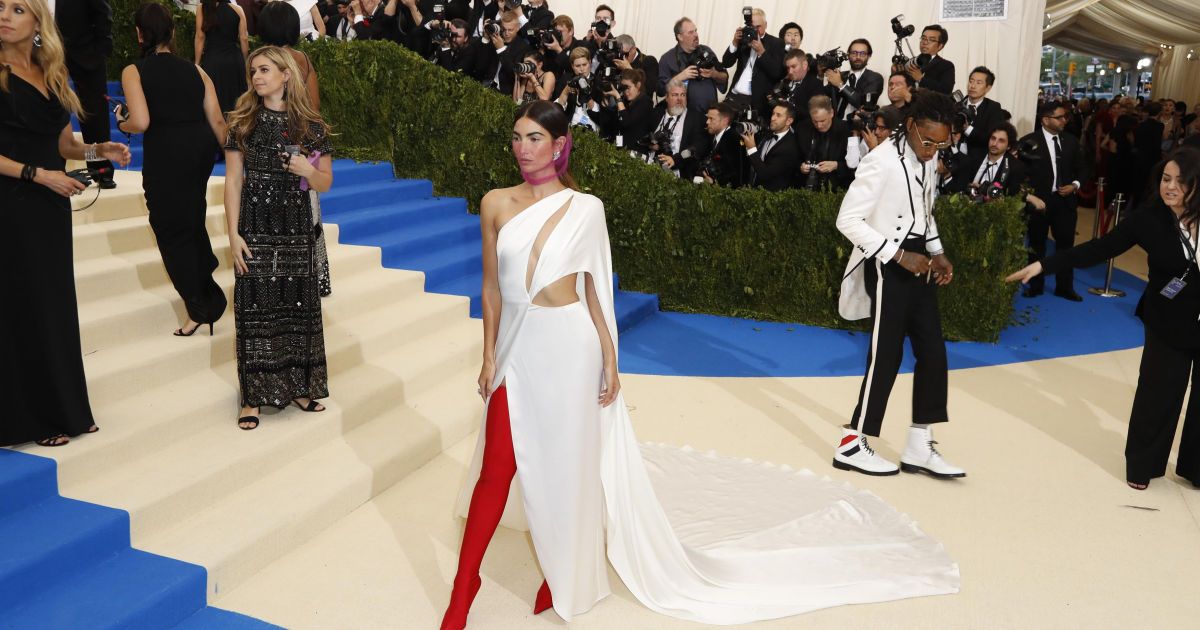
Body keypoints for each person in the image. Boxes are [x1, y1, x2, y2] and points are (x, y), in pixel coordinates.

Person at [439, 99, 958, 630]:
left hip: (573, 348)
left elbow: (595, 290)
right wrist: (488, 354)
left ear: (559, 143)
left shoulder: (585, 207)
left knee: (572, 466)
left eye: (534, 138)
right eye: (517, 138)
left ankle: (561, 571)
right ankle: (464, 589)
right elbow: (490, 287)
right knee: (497, 467)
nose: (523, 149)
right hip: (518, 352)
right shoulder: (495, 203)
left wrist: (611, 359)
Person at [1006, 147, 1200, 491]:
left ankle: (1195, 468)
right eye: (1166, 179)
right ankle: (1142, 466)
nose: (1171, 187)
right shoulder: (1148, 220)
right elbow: (1098, 249)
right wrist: (1044, 265)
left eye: (1181, 181)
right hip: (1168, 321)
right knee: (1158, 394)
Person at [0, 0, 130, 447]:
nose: (4, 14)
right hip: (11, 202)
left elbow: (62, 144)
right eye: (0, 6)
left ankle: (63, 409)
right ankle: (25, 420)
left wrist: (99, 152)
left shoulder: (50, 74)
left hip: (49, 205)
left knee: (52, 302)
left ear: (38, 23)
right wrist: (39, 175)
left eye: (17, 9)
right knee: (19, 304)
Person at [833, 89, 965, 479]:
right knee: (885, 356)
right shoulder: (880, 162)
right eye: (928, 141)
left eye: (942, 143)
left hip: (919, 261)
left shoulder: (930, 154)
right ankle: (852, 442)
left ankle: (918, 443)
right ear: (909, 126)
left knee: (934, 353)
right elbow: (847, 221)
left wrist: (936, 251)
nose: (933, 150)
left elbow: (925, 209)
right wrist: (898, 255)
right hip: (886, 266)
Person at [223, 46, 333, 430]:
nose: (257, 77)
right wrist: (233, 233)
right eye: (253, 71)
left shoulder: (310, 126)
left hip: (295, 228)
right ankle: (251, 397)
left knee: (296, 308)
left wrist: (307, 167)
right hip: (255, 225)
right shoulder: (243, 123)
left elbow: (325, 182)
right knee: (255, 310)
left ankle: (298, 387)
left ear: (286, 75)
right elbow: (233, 181)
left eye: (265, 69)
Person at [116, 2, 228, 338]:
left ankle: (199, 305)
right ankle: (205, 288)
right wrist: (238, 158)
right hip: (199, 152)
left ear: (139, 33)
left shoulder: (133, 71)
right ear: (174, 31)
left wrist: (122, 122)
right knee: (192, 217)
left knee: (169, 229)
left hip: (166, 153)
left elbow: (141, 121)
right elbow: (219, 122)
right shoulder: (198, 70)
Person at [1020, 100, 1083, 300]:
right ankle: (1035, 286)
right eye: (1060, 117)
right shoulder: (1029, 141)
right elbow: (1020, 174)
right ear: (1046, 120)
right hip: (1039, 203)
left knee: (1066, 246)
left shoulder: (1071, 141)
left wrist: (1075, 185)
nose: (1064, 120)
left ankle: (1065, 287)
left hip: (1065, 202)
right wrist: (1029, 197)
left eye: (1065, 117)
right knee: (1037, 245)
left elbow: (1084, 168)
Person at [54, 0, 116, 188]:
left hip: (87, 52)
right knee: (51, 110)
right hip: (46, 52)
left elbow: (102, 12)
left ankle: (101, 169)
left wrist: (101, 50)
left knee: (94, 113)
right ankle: (54, 168)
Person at [720, 7, 784, 117]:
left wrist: (761, 52)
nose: (755, 30)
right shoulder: (744, 39)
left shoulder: (776, 43)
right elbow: (726, 63)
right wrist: (735, 42)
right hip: (734, 96)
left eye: (758, 27)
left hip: (755, 101)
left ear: (766, 25)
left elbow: (776, 73)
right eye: (752, 27)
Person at [658, 17, 727, 112]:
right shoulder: (667, 59)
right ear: (680, 37)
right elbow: (661, 90)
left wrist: (714, 74)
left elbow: (724, 77)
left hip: (709, 115)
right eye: (691, 32)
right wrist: (680, 77)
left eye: (696, 31)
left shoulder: (706, 51)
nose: (696, 35)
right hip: (682, 117)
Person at [946, 123, 1028, 199]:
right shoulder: (974, 155)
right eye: (993, 138)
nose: (995, 144)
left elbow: (1010, 199)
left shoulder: (1015, 167)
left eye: (1001, 141)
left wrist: (987, 191)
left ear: (1008, 146)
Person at [647, 79, 708, 180]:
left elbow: (697, 148)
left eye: (683, 95)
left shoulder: (697, 119)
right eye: (675, 95)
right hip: (651, 168)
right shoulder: (656, 114)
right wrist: (650, 144)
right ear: (666, 97)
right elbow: (643, 135)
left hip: (679, 174)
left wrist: (676, 159)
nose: (680, 99)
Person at [196, 0, 249, 115]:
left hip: (212, 59)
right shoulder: (238, 9)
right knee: (236, 100)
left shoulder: (202, 8)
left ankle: (217, 129)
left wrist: (197, 62)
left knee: (213, 99)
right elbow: (244, 38)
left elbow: (200, 36)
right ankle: (235, 130)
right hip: (234, 60)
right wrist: (245, 62)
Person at [795, 95, 851, 190]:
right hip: (805, 186)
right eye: (815, 121)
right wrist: (800, 166)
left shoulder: (846, 130)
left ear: (832, 113)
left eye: (822, 121)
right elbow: (794, 156)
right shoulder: (802, 128)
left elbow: (856, 164)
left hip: (837, 188)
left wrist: (836, 165)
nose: (819, 125)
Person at [742, 100, 799, 191]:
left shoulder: (789, 147)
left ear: (789, 121)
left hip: (772, 198)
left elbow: (765, 174)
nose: (773, 118)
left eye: (778, 115)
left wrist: (752, 148)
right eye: (773, 114)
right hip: (753, 191)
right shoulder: (766, 134)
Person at [826, 38, 883, 122]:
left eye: (862, 54)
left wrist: (841, 85)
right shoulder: (839, 75)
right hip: (833, 125)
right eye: (854, 53)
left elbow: (864, 105)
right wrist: (821, 74)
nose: (858, 57)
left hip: (856, 128)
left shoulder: (875, 78)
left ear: (869, 56)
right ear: (848, 55)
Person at [696, 100, 747, 187]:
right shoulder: (710, 135)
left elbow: (737, 173)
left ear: (725, 121)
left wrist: (714, 182)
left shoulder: (734, 140)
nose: (707, 122)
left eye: (711, 119)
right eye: (707, 118)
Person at [959, 66, 1003, 157]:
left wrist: (967, 129)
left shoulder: (993, 108)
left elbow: (991, 138)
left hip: (978, 160)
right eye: (971, 81)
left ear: (988, 88)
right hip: (954, 158)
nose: (973, 86)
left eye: (979, 83)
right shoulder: (957, 105)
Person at [605, 68, 652, 149]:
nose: (626, 91)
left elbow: (627, 122)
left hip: (635, 152)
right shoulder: (624, 101)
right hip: (619, 149)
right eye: (624, 88)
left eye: (628, 87)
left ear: (638, 85)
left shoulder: (645, 101)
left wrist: (618, 98)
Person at [901, 24, 953, 95]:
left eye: (931, 40)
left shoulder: (946, 66)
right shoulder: (911, 62)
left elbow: (946, 90)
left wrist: (921, 79)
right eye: (923, 38)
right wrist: (895, 73)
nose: (925, 42)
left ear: (940, 46)